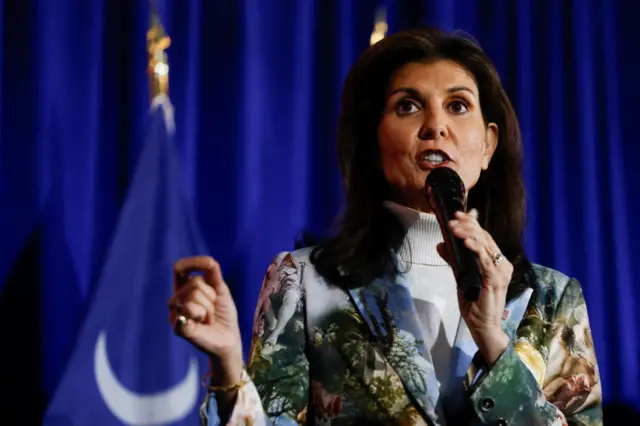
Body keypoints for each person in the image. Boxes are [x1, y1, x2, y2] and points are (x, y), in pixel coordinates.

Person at [168, 27, 603, 425]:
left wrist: (493, 341)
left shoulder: (550, 299)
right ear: (374, 144)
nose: (436, 127)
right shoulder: (305, 281)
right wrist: (227, 364)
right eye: (408, 106)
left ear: (488, 144)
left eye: (458, 105)